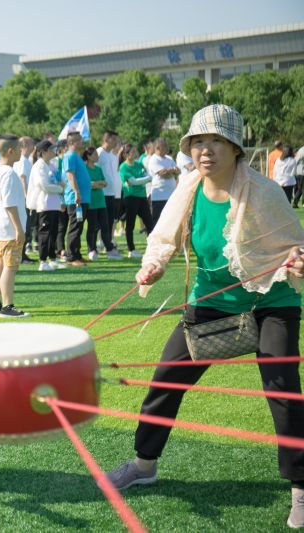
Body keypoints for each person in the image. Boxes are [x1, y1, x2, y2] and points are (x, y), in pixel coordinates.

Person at [105, 105, 304, 529]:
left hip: (271, 298)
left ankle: (300, 485)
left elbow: (294, 247)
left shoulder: (265, 192)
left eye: (215, 141)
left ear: (234, 148)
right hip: (212, 299)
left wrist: (296, 262)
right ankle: (144, 464)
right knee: (165, 379)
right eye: (197, 141)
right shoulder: (188, 189)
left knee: (283, 388)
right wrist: (154, 265)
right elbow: (164, 238)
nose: (204, 149)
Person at [0, 134, 29, 318]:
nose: (22, 151)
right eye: (19, 148)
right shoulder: (9, 174)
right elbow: (9, 204)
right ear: (11, 151)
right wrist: (19, 228)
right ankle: (7, 306)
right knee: (10, 267)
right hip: (8, 229)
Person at [28, 139, 65, 271]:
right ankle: (43, 262)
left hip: (54, 203)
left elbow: (59, 181)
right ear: (43, 152)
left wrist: (60, 189)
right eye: (51, 149)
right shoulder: (39, 166)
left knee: (53, 232)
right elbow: (44, 186)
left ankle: (52, 259)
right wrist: (61, 188)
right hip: (44, 204)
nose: (54, 151)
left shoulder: (51, 165)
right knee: (45, 233)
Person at [119, 144, 154, 259]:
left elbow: (142, 178)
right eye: (132, 152)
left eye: (135, 151)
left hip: (142, 197)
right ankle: (131, 250)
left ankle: (152, 248)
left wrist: (143, 180)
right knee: (130, 225)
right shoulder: (123, 167)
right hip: (130, 198)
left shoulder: (139, 164)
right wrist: (146, 179)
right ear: (126, 154)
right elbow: (134, 181)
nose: (135, 154)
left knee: (149, 223)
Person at [62, 133, 91, 267]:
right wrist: (76, 192)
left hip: (83, 198)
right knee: (74, 227)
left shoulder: (76, 156)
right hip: (75, 198)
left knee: (79, 227)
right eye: (80, 140)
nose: (82, 142)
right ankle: (71, 257)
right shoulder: (70, 156)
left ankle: (77, 254)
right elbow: (70, 175)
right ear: (73, 142)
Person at [97, 130, 123, 258]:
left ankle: (108, 245)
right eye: (114, 140)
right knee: (100, 222)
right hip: (101, 193)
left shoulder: (113, 156)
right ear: (106, 140)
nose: (116, 142)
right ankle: (99, 245)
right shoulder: (99, 153)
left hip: (112, 193)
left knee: (110, 221)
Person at [83, 147, 112, 262]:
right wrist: (96, 184)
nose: (97, 156)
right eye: (95, 154)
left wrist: (97, 184)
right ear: (88, 156)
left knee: (105, 226)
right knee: (92, 227)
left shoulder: (98, 168)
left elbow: (104, 183)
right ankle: (92, 249)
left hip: (101, 201)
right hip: (91, 202)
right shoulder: (84, 169)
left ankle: (109, 248)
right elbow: (89, 184)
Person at [12, 136, 36, 262]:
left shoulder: (26, 160)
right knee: (23, 227)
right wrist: (28, 198)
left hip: (24, 200)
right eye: (32, 143)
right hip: (23, 200)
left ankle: (22, 254)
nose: (34, 146)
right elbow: (23, 179)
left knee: (26, 228)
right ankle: (20, 255)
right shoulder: (22, 161)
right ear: (25, 144)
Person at [147, 137, 180, 228]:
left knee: (170, 219)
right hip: (159, 196)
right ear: (157, 148)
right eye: (165, 146)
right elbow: (162, 173)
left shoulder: (169, 158)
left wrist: (170, 171)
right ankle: (154, 240)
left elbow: (178, 171)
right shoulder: (154, 159)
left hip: (170, 195)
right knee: (157, 219)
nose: (167, 148)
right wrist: (171, 172)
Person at [294, 144, 304, 209]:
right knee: (300, 189)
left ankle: (296, 203)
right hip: (301, 173)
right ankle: (295, 203)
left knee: (300, 189)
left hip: (300, 172)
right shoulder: (302, 150)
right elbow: (295, 161)